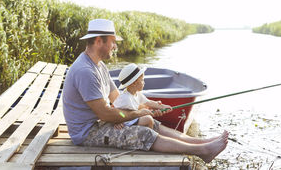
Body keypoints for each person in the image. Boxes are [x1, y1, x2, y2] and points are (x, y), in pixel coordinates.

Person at [62, 18, 228, 163]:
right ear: (99, 41)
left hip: (101, 122)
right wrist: (134, 115)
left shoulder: (100, 66)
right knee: (144, 134)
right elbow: (104, 114)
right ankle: (203, 152)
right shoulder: (85, 71)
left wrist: (143, 109)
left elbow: (117, 98)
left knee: (152, 123)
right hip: (88, 132)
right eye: (112, 41)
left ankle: (201, 143)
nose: (115, 46)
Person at [113, 63, 172, 129]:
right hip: (127, 121)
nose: (144, 82)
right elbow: (116, 111)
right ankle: (150, 135)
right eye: (142, 80)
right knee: (148, 119)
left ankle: (150, 132)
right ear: (134, 83)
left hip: (134, 118)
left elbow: (149, 102)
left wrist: (162, 107)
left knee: (148, 117)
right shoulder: (125, 98)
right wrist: (118, 121)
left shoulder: (138, 94)